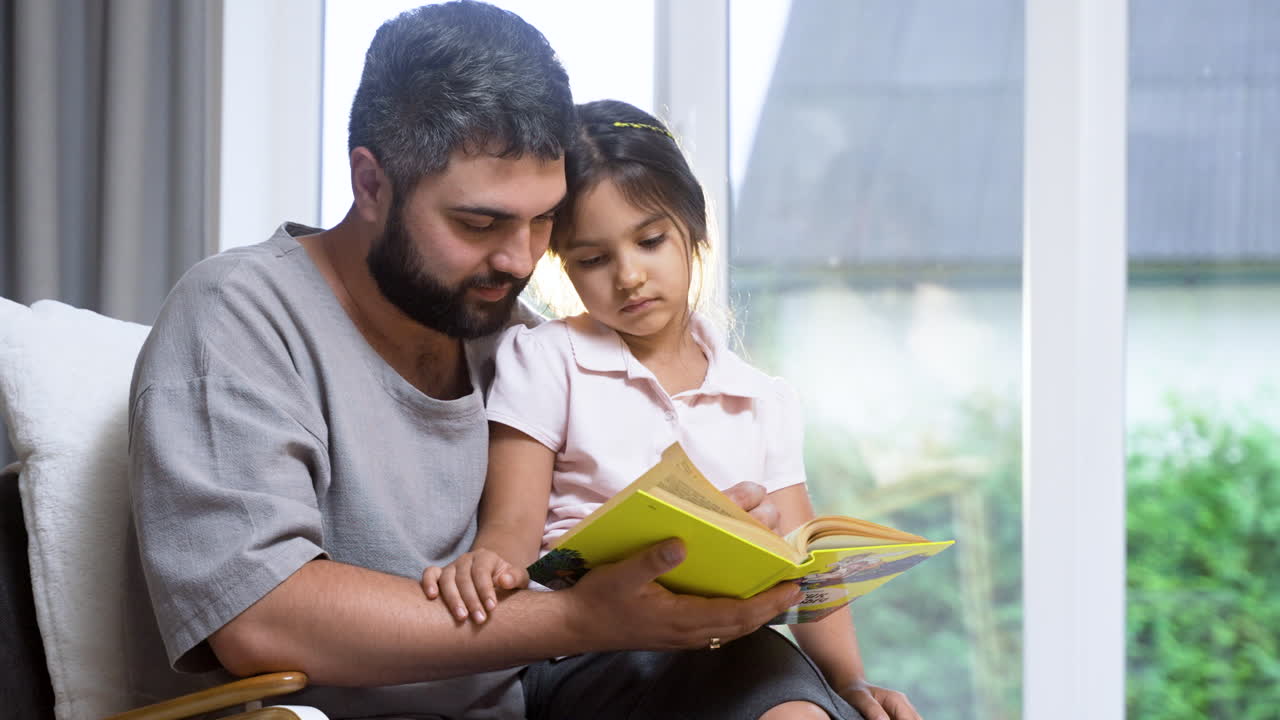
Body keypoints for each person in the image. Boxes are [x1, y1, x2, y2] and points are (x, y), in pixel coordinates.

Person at [128, 2, 857, 718]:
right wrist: (587, 620)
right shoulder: (239, 313)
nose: (518, 259)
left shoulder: (514, 334)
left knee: (773, 681)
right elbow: (260, 618)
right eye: (479, 223)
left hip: (552, 695)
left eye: (543, 220)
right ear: (371, 183)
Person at [418, 99, 922, 720]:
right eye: (593, 259)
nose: (628, 276)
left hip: (727, 642)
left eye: (650, 241)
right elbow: (510, 531)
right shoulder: (547, 360)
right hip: (593, 653)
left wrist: (853, 682)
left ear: (695, 230)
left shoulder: (762, 399)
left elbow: (808, 572)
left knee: (797, 702)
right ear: (563, 265)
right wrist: (485, 567)